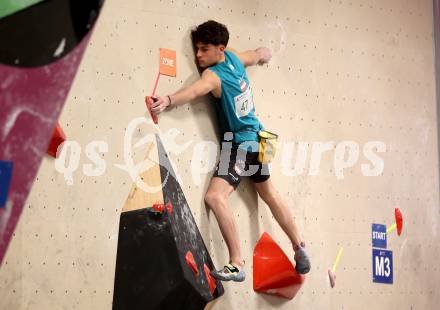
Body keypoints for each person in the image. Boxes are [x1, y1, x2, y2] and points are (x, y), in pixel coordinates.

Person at [151, 20, 310, 282]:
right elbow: (254, 55)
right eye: (196, 49)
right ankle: (300, 247)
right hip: (259, 138)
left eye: (204, 49)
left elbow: (193, 91)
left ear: (220, 49)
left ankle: (236, 262)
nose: (199, 55)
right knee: (269, 193)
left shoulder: (213, 76)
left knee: (215, 197)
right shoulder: (234, 58)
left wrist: (166, 100)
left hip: (240, 144)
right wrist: (263, 54)